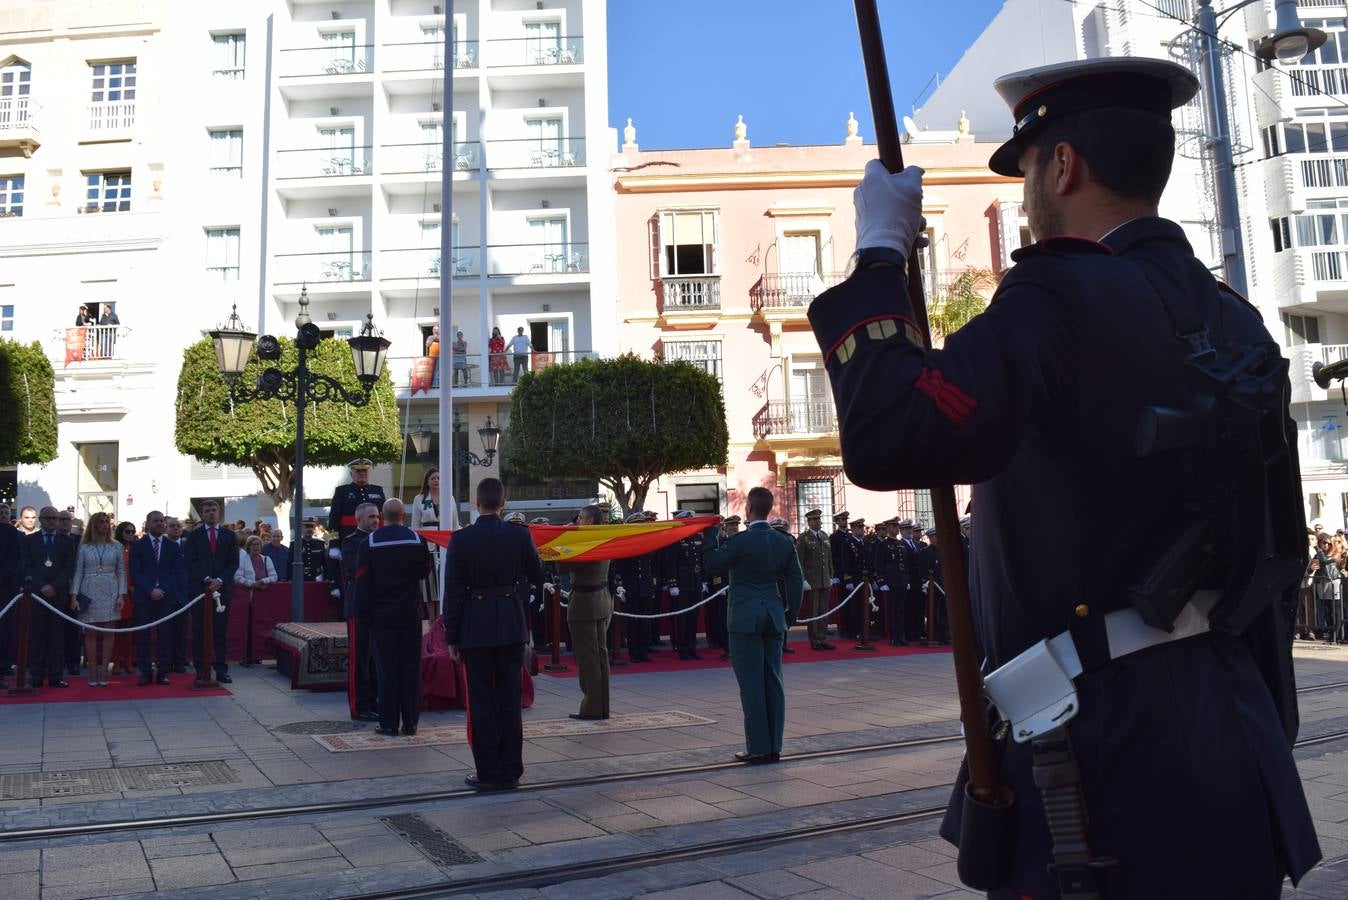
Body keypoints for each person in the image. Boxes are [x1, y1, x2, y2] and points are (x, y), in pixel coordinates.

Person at [807, 56, 1320, 897]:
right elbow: (1276, 549)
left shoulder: (1058, 296)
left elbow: (890, 434)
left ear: (1063, 165)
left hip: (1103, 751)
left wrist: (876, 254)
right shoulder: (1236, 317)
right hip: (1230, 729)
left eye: (1028, 169)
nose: (1026, 195)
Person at [443, 477, 544, 790]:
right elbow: (538, 575)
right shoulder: (519, 536)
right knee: (509, 700)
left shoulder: (461, 540)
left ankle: (488, 772)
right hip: (511, 624)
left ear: (477, 503)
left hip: (475, 626)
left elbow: (454, 592)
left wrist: (451, 636)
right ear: (503, 503)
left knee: (483, 702)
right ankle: (511, 770)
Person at [703, 487, 802, 764]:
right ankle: (774, 746)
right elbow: (795, 582)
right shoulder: (783, 542)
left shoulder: (739, 541)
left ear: (748, 510)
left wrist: (710, 535)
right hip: (773, 615)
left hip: (745, 617)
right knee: (773, 680)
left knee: (751, 684)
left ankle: (758, 747)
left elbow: (712, 564)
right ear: (769, 509)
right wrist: (790, 615)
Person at [356, 499, 430, 737]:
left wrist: (364, 618)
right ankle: (411, 722)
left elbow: (362, 584)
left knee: (386, 669)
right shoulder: (418, 540)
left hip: (381, 615)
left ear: (382, 516)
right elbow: (425, 572)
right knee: (410, 667)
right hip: (410, 613)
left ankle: (388, 723)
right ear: (404, 515)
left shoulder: (369, 542)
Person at [563, 504, 613, 719]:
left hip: (584, 603)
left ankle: (592, 707)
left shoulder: (587, 542)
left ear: (590, 521)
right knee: (601, 655)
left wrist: (562, 542)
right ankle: (602, 706)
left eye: (581, 518)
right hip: (601, 601)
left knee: (589, 658)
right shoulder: (604, 538)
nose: (578, 522)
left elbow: (562, 567)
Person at [18, 507, 77, 688]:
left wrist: (54, 586)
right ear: (41, 520)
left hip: (58, 595)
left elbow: (69, 568)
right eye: (48, 518)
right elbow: (26, 565)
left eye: (55, 518)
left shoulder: (67, 542)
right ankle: (36, 675)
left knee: (57, 638)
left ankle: (55, 675)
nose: (52, 521)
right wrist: (41, 585)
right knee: (37, 637)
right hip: (37, 595)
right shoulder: (29, 540)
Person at [182, 500, 238, 683]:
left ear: (219, 512)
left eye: (214, 510)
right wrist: (206, 579)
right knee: (199, 631)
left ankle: (221, 668)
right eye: (207, 511)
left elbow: (233, 562)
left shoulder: (229, 535)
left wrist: (220, 580)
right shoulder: (194, 536)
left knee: (220, 631)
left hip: (222, 590)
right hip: (200, 590)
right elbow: (190, 562)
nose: (211, 513)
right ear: (202, 514)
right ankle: (200, 668)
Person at [70, 513, 126, 686]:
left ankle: (104, 671)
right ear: (93, 525)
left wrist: (121, 595)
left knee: (109, 631)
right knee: (91, 631)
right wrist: (74, 596)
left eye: (107, 522)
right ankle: (93, 670)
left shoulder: (117, 546)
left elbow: (122, 571)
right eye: (101, 522)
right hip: (89, 588)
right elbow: (78, 572)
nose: (105, 525)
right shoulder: (84, 547)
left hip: (110, 587)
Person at [129, 510, 183, 685]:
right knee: (143, 636)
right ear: (147, 523)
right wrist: (150, 589)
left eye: (161, 521)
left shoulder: (173, 546)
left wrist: (162, 589)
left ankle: (163, 672)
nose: (159, 523)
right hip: (144, 597)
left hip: (166, 598)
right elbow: (135, 572)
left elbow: (176, 572)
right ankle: (145, 672)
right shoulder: (137, 545)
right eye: (155, 521)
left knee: (165, 635)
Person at [341, 502, 381, 722]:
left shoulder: (379, 539)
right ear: (359, 520)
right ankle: (359, 706)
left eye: (377, 516)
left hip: (377, 606)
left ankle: (373, 701)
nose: (376, 520)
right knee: (360, 659)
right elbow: (358, 569)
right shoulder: (351, 543)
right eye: (371, 517)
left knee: (375, 659)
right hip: (359, 607)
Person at [795, 509, 834, 651]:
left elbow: (829, 558)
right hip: (812, 581)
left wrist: (831, 576)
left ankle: (823, 638)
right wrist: (803, 580)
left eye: (819, 519)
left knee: (824, 610)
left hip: (824, 579)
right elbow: (800, 561)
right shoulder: (803, 538)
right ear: (809, 522)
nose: (819, 522)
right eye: (815, 520)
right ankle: (815, 640)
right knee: (813, 611)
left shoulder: (824, 536)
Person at [328, 458, 387, 544]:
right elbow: (334, 519)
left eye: (365, 470)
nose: (362, 473)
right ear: (351, 474)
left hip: (375, 538)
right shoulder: (342, 491)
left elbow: (383, 517)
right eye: (358, 471)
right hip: (350, 539)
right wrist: (334, 544)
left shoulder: (377, 490)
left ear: (368, 473)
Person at [110, 520, 138, 675]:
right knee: (115, 630)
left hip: (133, 593)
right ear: (120, 532)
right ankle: (115, 662)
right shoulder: (114, 549)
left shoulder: (136, 549)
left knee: (128, 631)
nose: (130, 534)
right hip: (117, 592)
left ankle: (128, 661)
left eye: (133, 532)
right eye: (127, 531)